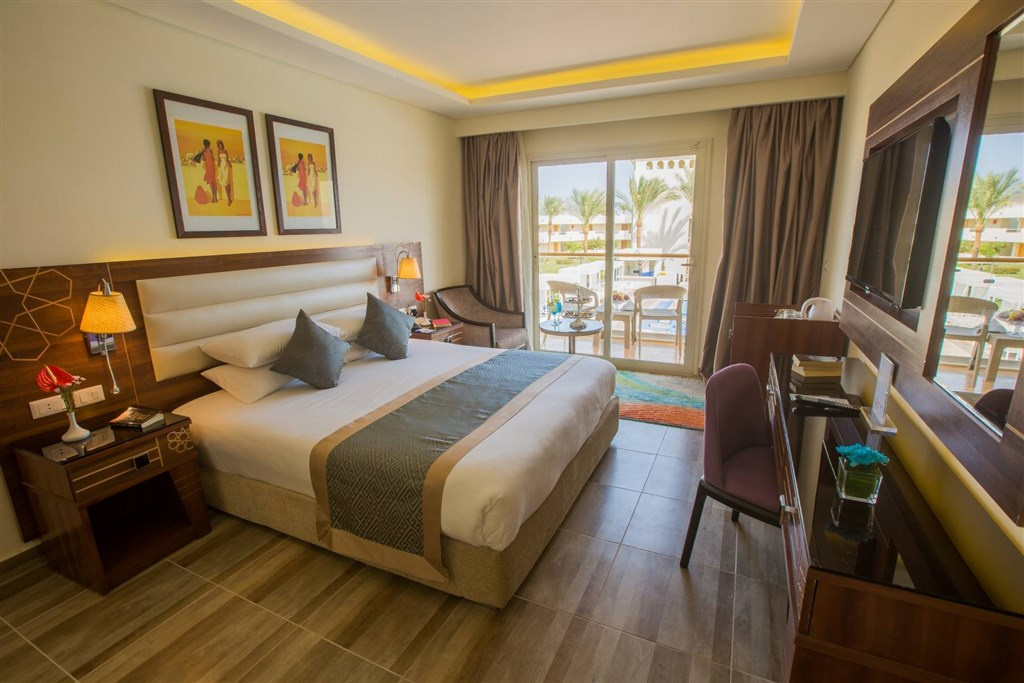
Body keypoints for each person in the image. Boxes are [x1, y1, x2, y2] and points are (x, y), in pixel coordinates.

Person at [215, 140, 234, 206]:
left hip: (226, 167)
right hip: (222, 167)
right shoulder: (218, 151)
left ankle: (229, 199)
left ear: (222, 144)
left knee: (227, 182)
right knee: (225, 183)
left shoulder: (225, 151)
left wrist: (230, 164)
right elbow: (219, 159)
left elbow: (227, 159)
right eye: (218, 144)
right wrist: (218, 164)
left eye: (220, 144)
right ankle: (229, 199)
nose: (219, 145)